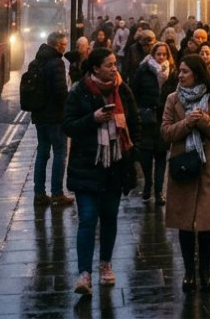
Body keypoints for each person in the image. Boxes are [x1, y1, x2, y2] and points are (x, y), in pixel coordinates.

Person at [64, 47, 140, 296]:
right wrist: (92, 119)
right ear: (95, 68)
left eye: (114, 64)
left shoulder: (122, 89)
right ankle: (84, 273)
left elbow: (134, 121)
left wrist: (133, 152)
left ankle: (105, 264)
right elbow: (68, 126)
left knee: (109, 216)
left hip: (115, 166)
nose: (114, 68)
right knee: (87, 218)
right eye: (109, 64)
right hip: (88, 165)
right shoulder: (79, 91)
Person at [162, 54, 210, 293]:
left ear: (198, 74)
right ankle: (189, 272)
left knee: (207, 224)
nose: (179, 75)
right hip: (183, 168)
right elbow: (166, 132)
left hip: (208, 168)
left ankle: (205, 270)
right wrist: (187, 123)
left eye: (184, 71)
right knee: (185, 223)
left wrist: (203, 121)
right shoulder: (173, 99)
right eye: (179, 71)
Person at [131, 41, 177, 206]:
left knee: (161, 156)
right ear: (153, 55)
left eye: (164, 54)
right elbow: (133, 93)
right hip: (146, 119)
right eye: (158, 54)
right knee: (145, 155)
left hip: (164, 120)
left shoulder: (172, 73)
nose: (161, 57)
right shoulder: (143, 71)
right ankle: (148, 184)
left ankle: (158, 191)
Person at [31, 31, 74, 207]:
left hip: (39, 115)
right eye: (63, 44)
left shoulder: (36, 62)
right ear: (56, 45)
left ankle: (39, 193)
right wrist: (68, 109)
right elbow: (60, 93)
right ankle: (57, 193)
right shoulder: (56, 63)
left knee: (42, 153)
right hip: (55, 117)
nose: (65, 47)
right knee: (60, 153)